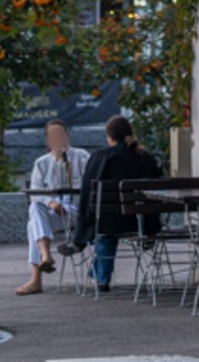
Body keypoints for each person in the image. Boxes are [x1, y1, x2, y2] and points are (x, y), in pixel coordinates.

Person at [71, 115, 161, 292]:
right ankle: (97, 275)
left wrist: (81, 229)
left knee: (105, 232)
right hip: (141, 222)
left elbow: (88, 191)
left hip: (108, 221)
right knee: (108, 226)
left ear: (109, 137)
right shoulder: (146, 157)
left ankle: (102, 279)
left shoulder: (101, 157)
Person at [15, 118, 90, 296]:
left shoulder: (81, 157)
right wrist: (51, 202)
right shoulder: (41, 163)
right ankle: (46, 255)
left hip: (74, 213)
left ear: (66, 136)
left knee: (32, 224)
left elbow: (90, 184)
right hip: (53, 215)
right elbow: (35, 192)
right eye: (53, 135)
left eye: (60, 134)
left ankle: (36, 278)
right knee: (35, 210)